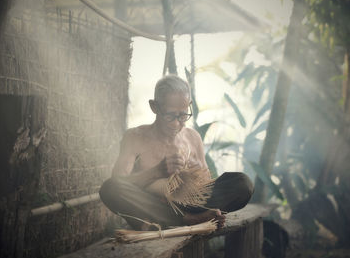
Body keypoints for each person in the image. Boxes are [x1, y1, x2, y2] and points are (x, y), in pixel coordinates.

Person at [99, 75, 253, 230]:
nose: (176, 123)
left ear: (189, 105)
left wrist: (195, 175)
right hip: (151, 204)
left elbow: (207, 187)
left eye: (183, 115)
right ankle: (186, 219)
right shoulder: (134, 137)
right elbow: (120, 182)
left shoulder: (193, 138)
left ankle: (174, 219)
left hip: (190, 205)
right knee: (110, 188)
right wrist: (157, 172)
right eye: (170, 115)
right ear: (154, 107)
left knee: (243, 183)